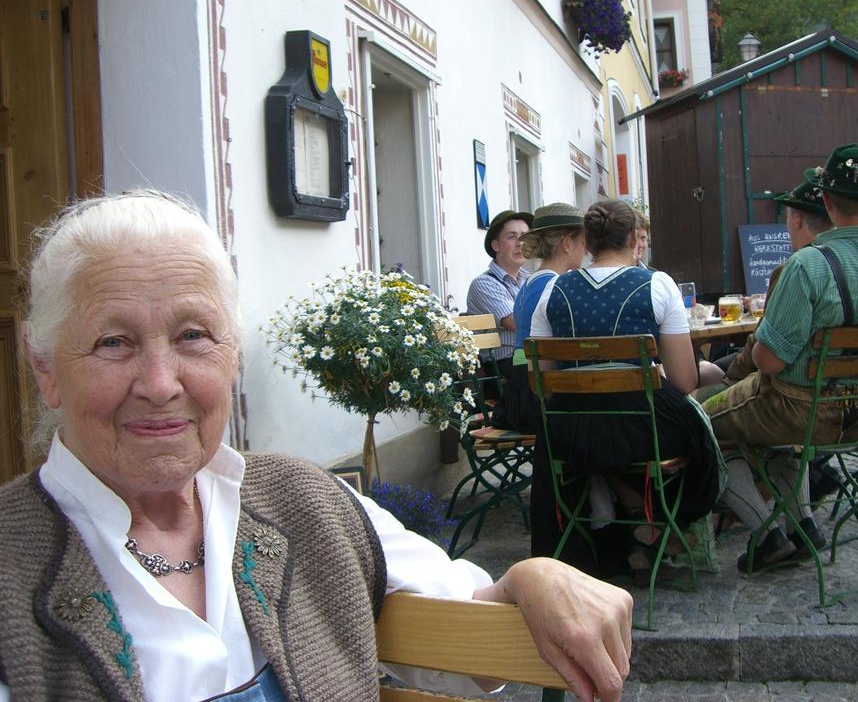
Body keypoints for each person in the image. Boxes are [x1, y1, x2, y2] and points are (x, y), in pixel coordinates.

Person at [0, 191, 632, 702]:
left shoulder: (303, 500)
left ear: (232, 355)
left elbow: (466, 628)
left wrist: (532, 575)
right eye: (114, 343)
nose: (162, 385)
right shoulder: (13, 574)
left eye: (193, 335)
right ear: (45, 366)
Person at [701, 144, 858, 572]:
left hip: (795, 408)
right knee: (776, 431)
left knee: (696, 420)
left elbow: (768, 361)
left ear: (825, 200)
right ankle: (804, 525)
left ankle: (767, 531)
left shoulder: (807, 266)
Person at [529, 199, 723, 578]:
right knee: (697, 432)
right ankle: (661, 526)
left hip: (571, 436)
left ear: (587, 243)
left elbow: (542, 383)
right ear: (635, 238)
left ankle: (635, 519)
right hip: (643, 432)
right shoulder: (657, 284)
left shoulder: (552, 291)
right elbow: (684, 381)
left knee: (610, 434)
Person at [696, 179, 833, 399]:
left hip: (787, 397)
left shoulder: (794, 269)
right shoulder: (847, 267)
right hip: (844, 394)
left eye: (787, 217)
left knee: (693, 407)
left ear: (797, 220)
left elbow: (763, 354)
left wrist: (727, 381)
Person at [502, 202, 586, 433]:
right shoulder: (553, 285)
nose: (587, 250)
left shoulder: (532, 280)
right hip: (537, 396)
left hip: (521, 389)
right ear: (567, 243)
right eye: (583, 242)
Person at [465, 209, 533, 386]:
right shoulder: (484, 284)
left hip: (528, 359)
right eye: (512, 236)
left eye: (525, 236)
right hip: (502, 369)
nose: (520, 243)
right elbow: (520, 325)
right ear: (496, 246)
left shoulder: (530, 279)